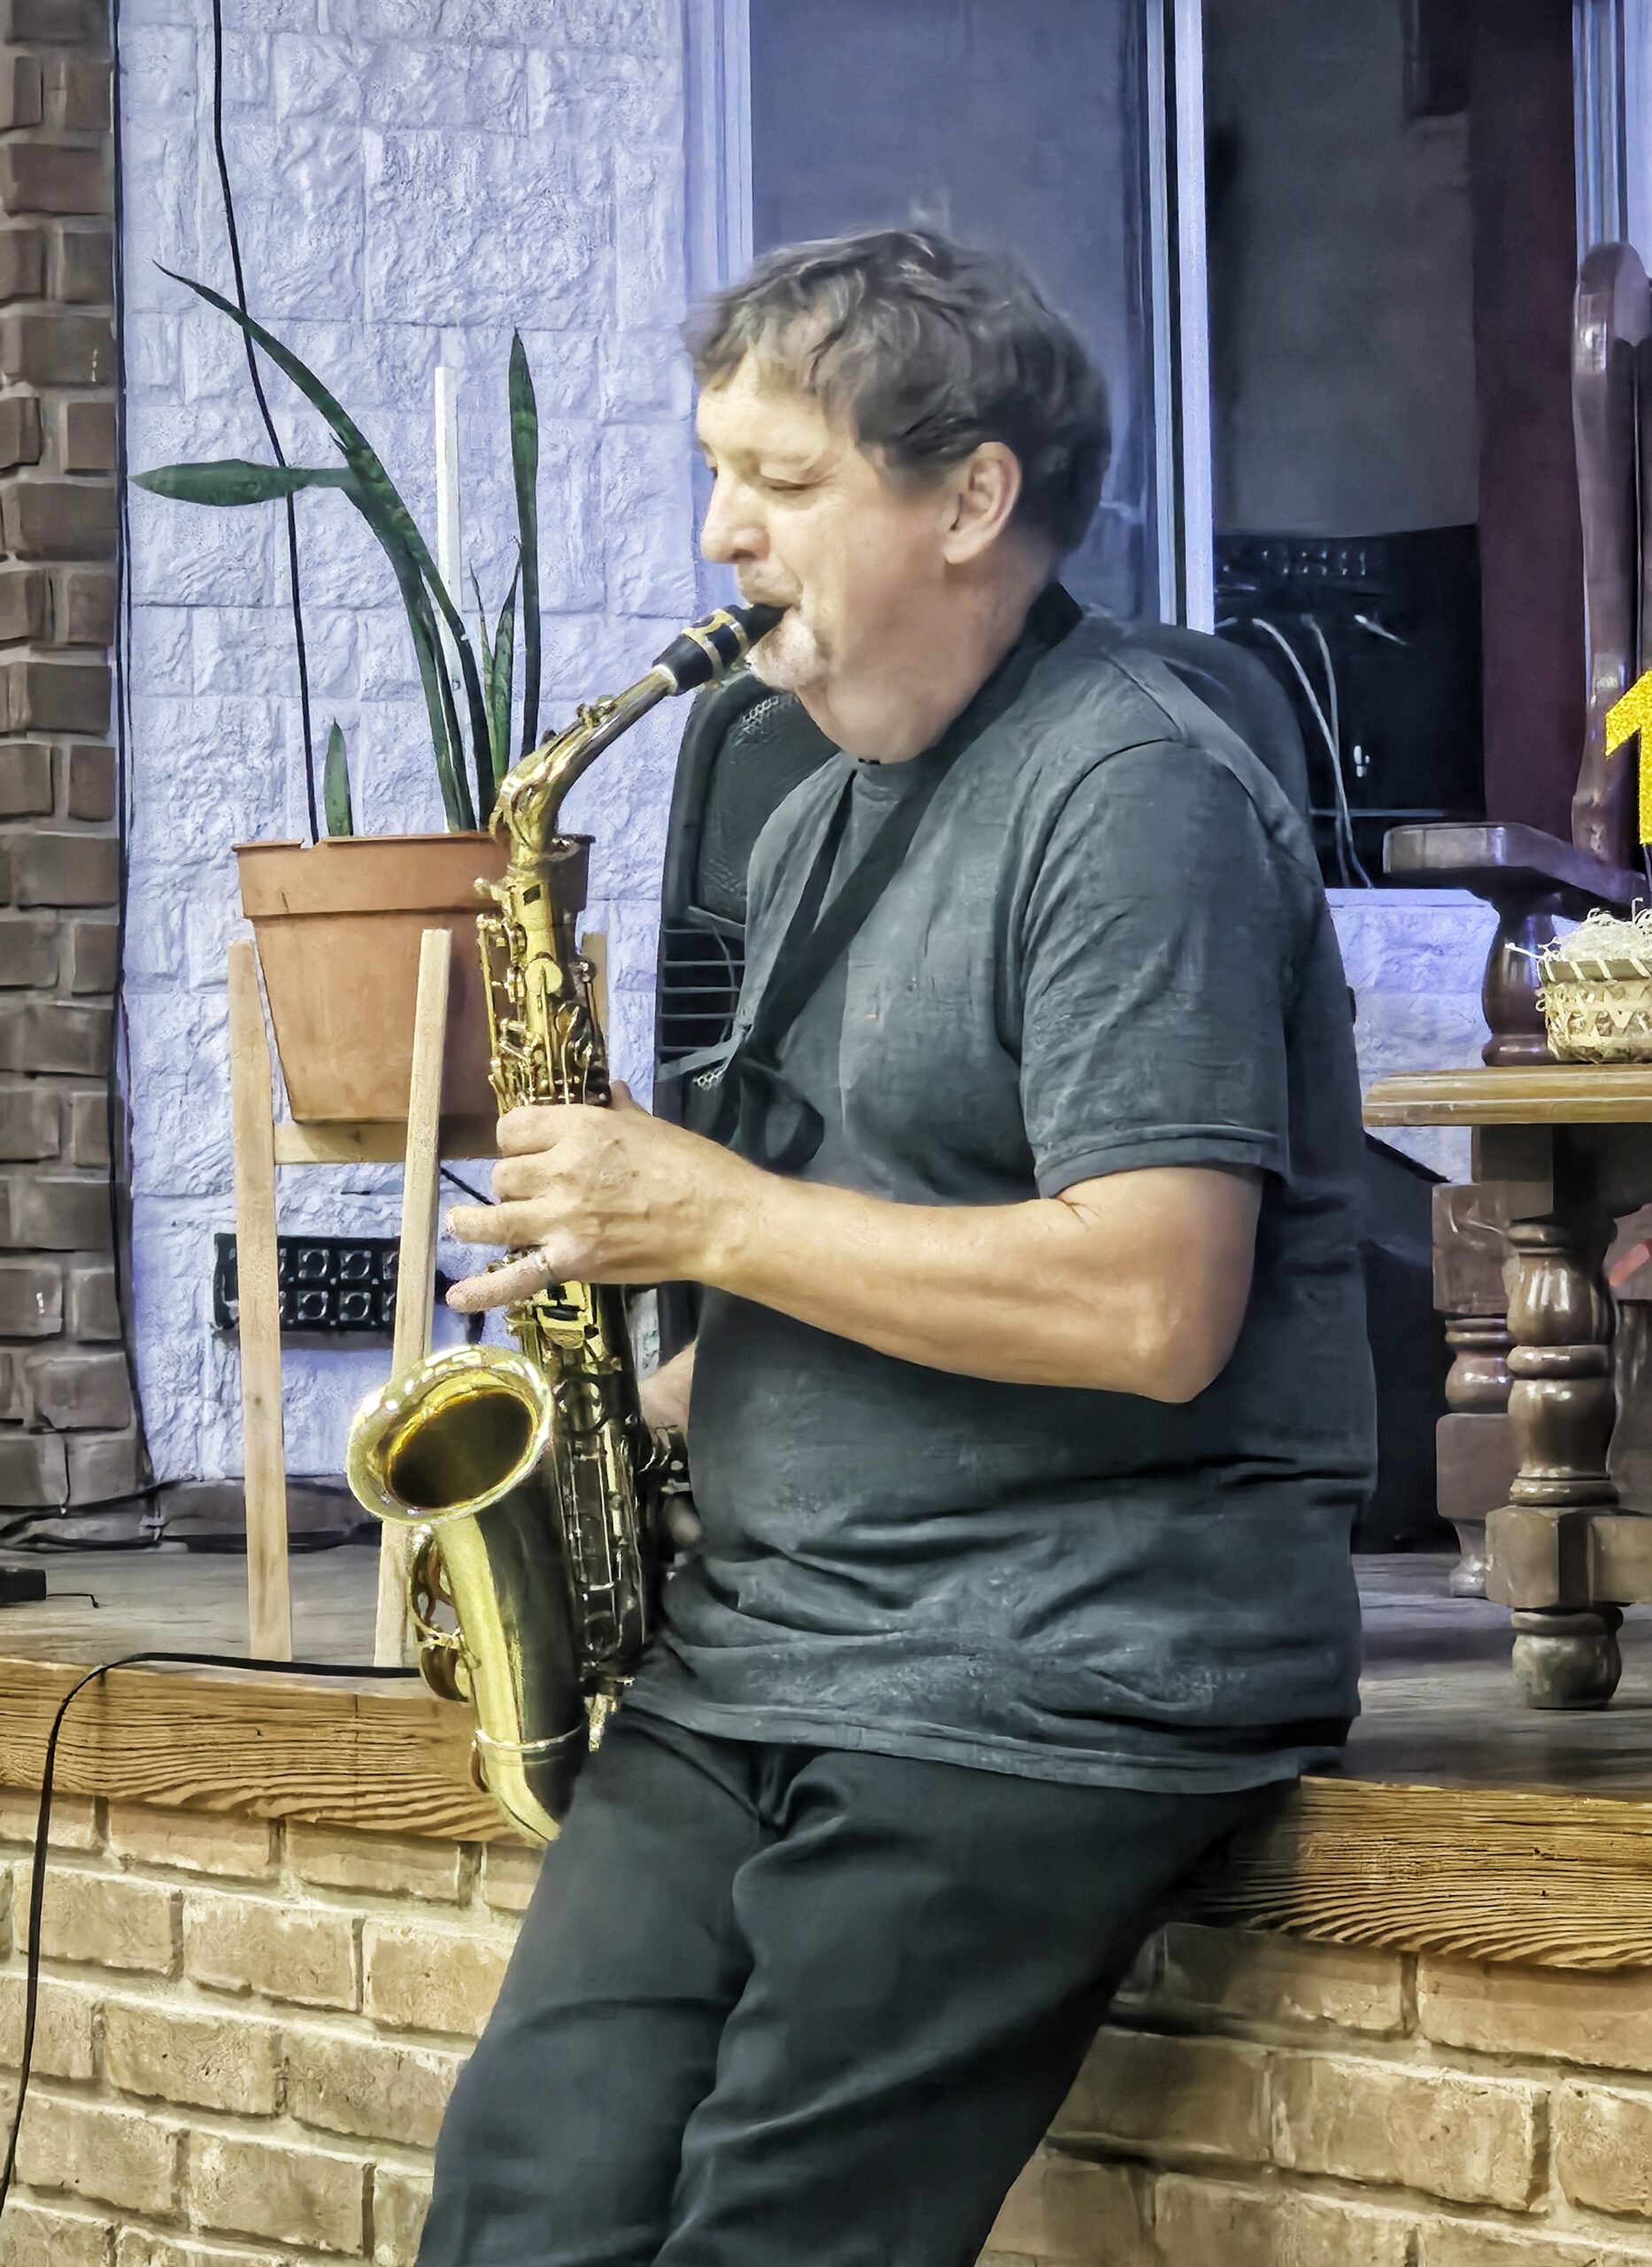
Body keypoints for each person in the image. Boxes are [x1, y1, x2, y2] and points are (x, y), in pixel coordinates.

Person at [423, 229, 1373, 2267]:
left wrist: (706, 1209)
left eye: (781, 479)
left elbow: (1148, 1297)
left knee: (775, 2235)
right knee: (519, 2198)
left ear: (968, 501)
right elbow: (859, 1230)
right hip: (770, 1645)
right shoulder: (817, 811)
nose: (719, 532)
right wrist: (620, 1419)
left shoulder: (1131, 793)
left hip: (1050, 1660)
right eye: (716, 472)